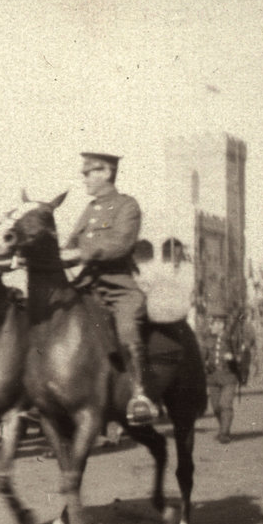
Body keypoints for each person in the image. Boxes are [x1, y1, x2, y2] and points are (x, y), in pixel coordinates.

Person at [62, 151, 155, 426]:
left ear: (105, 172)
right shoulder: (89, 209)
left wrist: (80, 254)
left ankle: (140, 395)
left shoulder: (128, 206)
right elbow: (70, 245)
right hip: (86, 286)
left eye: (88, 172)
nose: (84, 178)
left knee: (127, 327)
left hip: (117, 288)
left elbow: (121, 244)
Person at [201, 313, 242, 444]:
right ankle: (223, 427)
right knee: (216, 407)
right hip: (213, 379)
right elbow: (202, 358)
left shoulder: (232, 338)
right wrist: (205, 364)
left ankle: (224, 433)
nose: (212, 326)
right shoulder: (207, 340)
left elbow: (242, 356)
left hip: (228, 377)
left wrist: (233, 358)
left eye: (217, 324)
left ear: (222, 325)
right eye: (213, 323)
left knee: (225, 404)